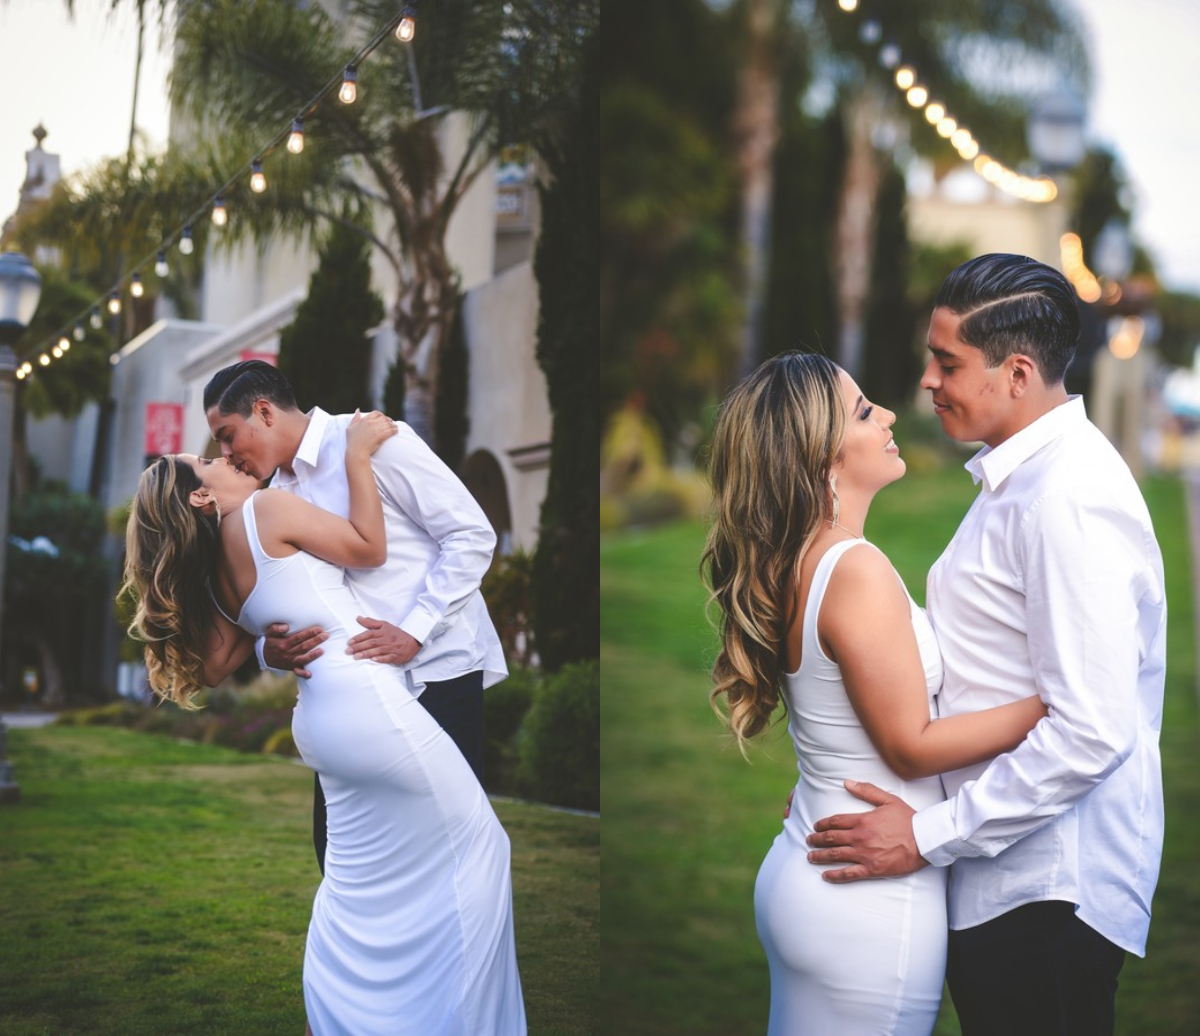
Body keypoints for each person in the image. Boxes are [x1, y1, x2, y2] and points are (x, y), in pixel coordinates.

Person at [805, 254, 1166, 1036]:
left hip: (1045, 892)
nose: (928, 383)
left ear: (1018, 372)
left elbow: (1092, 727)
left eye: (947, 363)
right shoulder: (1021, 483)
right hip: (1004, 881)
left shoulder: (1065, 497)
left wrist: (927, 837)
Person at [121, 413, 526, 1035]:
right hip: (369, 707)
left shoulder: (212, 572)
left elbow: (210, 667)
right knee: (481, 848)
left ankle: (339, 1020)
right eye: (207, 462)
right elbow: (370, 548)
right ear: (201, 496)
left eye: (222, 445)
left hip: (320, 722)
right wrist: (358, 456)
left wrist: (266, 650)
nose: (221, 458)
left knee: (352, 886)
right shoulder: (268, 512)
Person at [701, 352, 1048, 1035]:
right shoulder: (855, 569)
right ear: (819, 456)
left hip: (818, 863)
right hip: (865, 893)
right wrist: (1053, 703)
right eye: (864, 411)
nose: (888, 415)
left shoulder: (801, 561)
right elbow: (910, 747)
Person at [199, 360, 506, 874]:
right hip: (355, 699)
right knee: (338, 854)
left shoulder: (375, 440)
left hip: (439, 670)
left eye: (227, 436)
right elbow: (287, 600)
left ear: (264, 412)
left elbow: (471, 535)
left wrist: (415, 630)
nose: (225, 454)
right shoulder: (273, 499)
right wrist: (266, 651)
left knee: (449, 850)